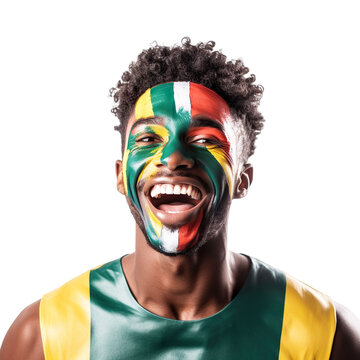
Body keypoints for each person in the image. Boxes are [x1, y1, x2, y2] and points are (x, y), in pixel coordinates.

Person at [1, 38, 359, 360]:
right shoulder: (44, 336)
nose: (173, 158)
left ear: (243, 180)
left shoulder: (326, 335)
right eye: (147, 140)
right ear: (120, 176)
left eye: (205, 140)